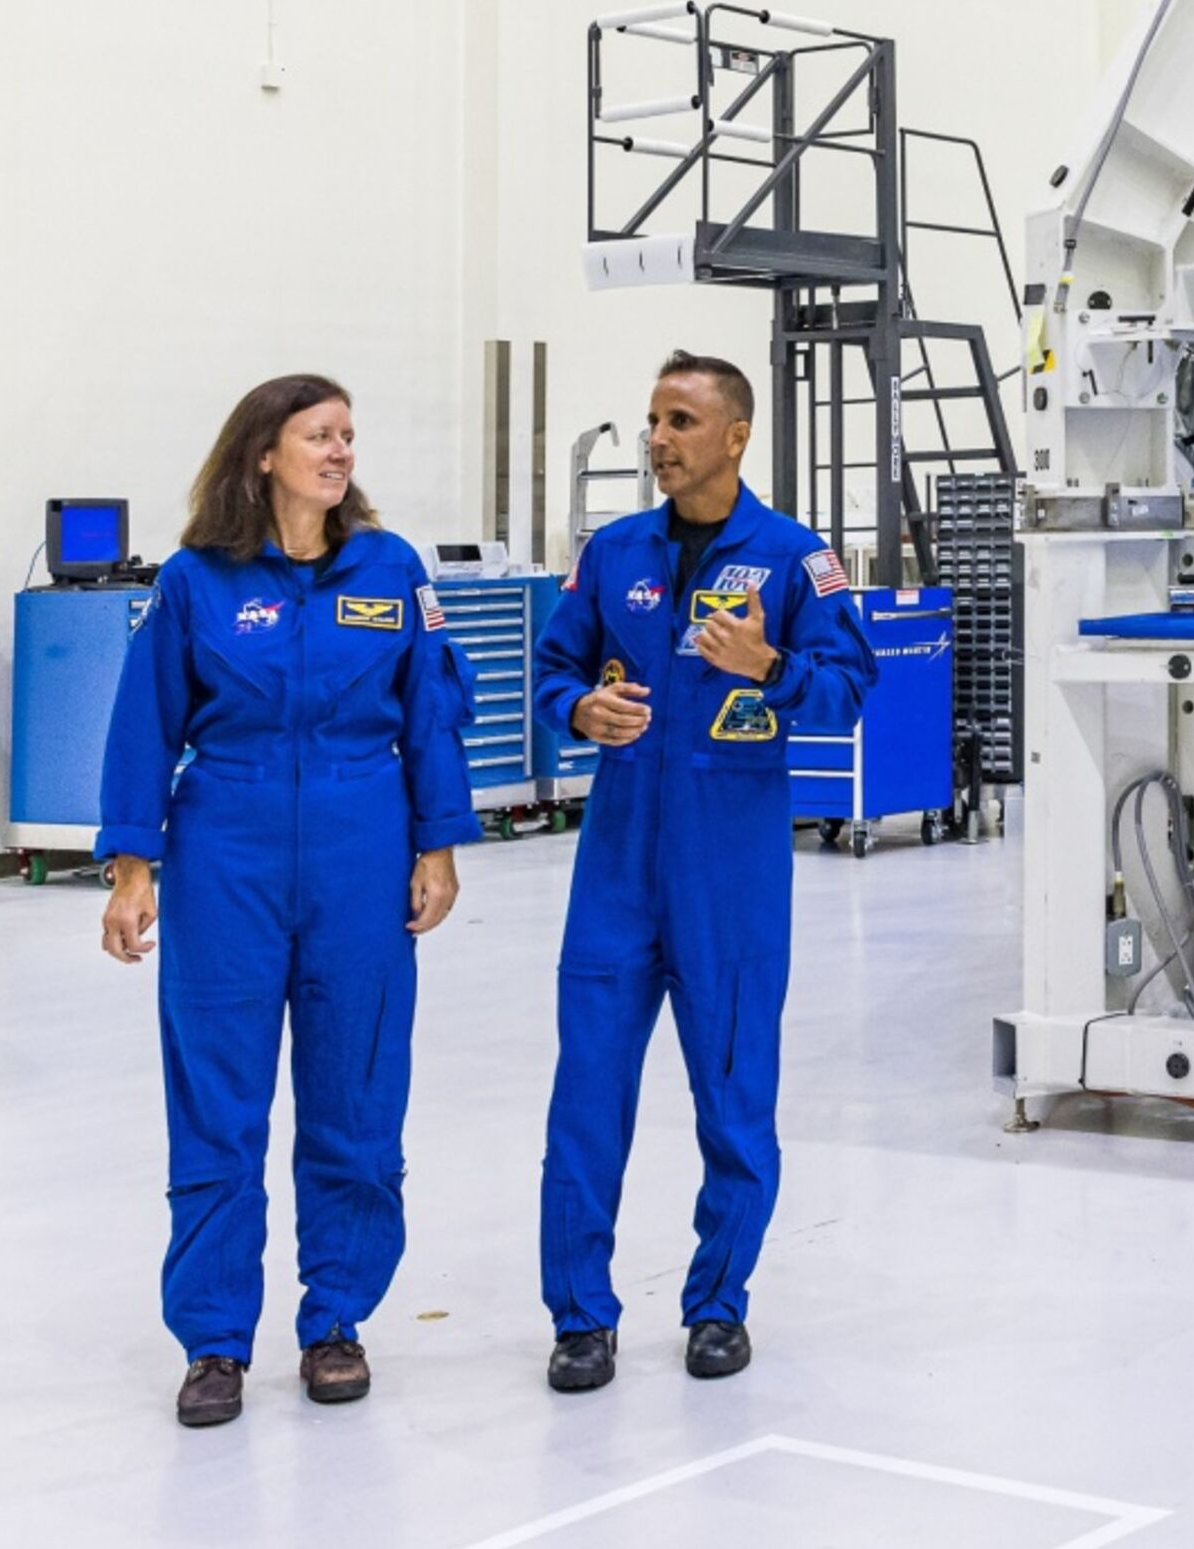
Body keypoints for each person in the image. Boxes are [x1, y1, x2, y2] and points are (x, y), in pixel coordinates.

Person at [95, 374, 480, 1430]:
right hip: (229, 844)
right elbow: (144, 724)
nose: (341, 451)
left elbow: (432, 712)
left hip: (364, 842)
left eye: (349, 434)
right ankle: (215, 1340)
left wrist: (439, 845)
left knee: (357, 1096)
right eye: (319, 435)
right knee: (219, 1105)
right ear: (263, 453)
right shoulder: (196, 579)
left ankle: (336, 1320)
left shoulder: (391, 569)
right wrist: (133, 868)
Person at [533, 351, 875, 1392]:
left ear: (736, 435)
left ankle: (719, 1303)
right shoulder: (612, 553)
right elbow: (555, 668)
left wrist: (767, 667)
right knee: (587, 1094)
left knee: (733, 1096)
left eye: (681, 420)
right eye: (653, 419)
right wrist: (579, 710)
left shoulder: (794, 559)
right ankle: (580, 1317)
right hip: (617, 861)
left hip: (730, 869)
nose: (658, 439)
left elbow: (849, 688)